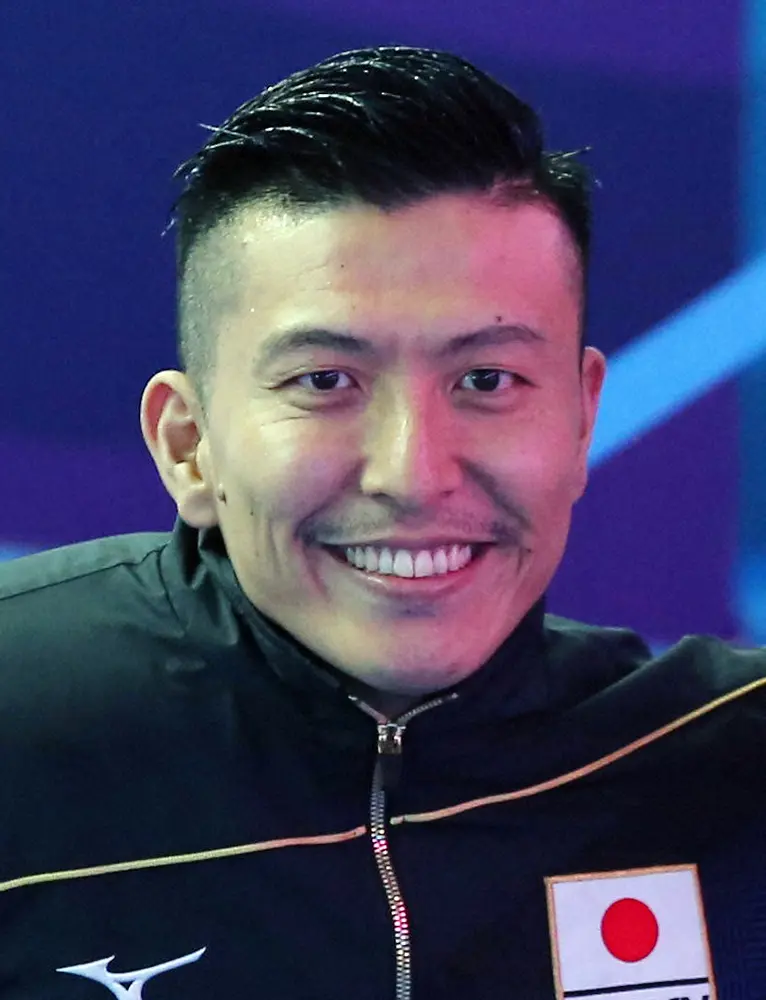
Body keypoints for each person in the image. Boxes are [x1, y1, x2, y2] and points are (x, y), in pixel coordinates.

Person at [0, 45, 764, 1000]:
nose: (413, 473)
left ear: (581, 419)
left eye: (487, 379)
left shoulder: (727, 761)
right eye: (326, 381)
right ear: (188, 445)